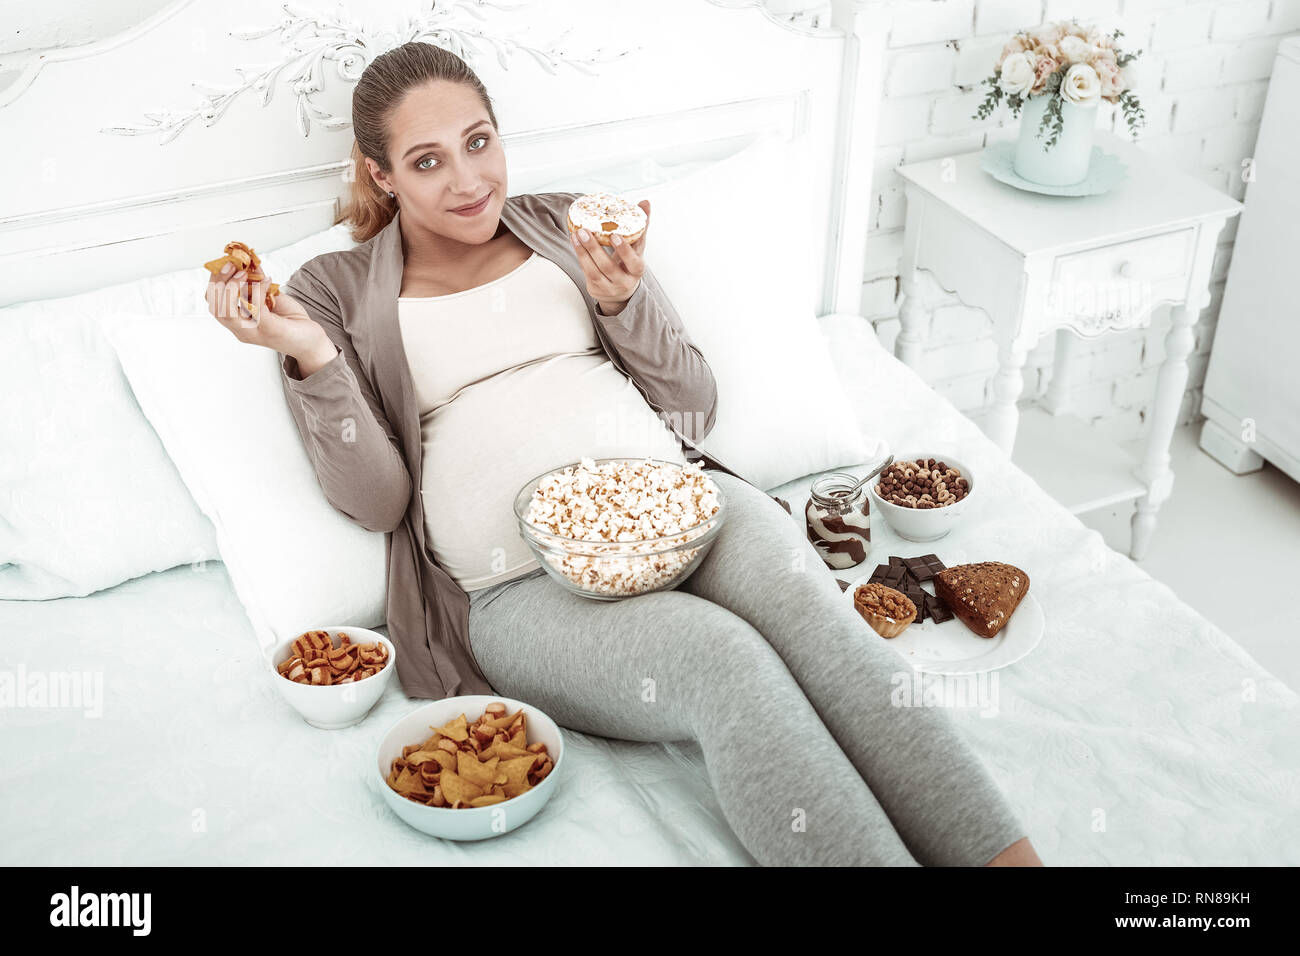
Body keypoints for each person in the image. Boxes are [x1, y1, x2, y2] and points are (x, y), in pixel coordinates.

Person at [205, 41, 1042, 867]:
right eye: (427, 162)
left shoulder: (567, 224)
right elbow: (377, 502)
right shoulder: (330, 292)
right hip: (521, 590)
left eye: (479, 141)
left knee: (824, 632)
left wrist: (624, 302)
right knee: (726, 664)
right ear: (381, 174)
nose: (468, 180)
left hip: (686, 510)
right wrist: (310, 356)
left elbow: (692, 407)